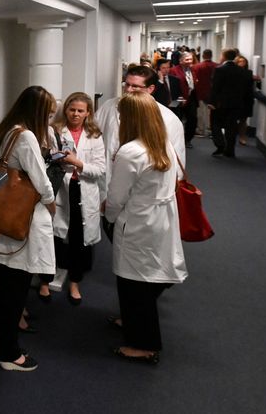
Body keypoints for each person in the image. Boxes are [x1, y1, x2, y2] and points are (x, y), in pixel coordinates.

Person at [105, 91, 188, 364]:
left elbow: (117, 197)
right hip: (160, 220)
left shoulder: (131, 151)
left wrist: (110, 215)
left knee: (134, 282)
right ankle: (133, 320)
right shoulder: (162, 143)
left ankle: (143, 345)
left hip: (138, 222)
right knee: (149, 274)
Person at [0, 86, 57, 372]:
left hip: (4, 222)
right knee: (15, 291)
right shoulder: (27, 135)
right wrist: (52, 202)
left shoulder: (7, 131)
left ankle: (1, 346)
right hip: (22, 222)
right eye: (49, 114)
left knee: (4, 287)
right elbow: (42, 181)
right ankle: (9, 353)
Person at [37, 92, 105, 305]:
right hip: (60, 189)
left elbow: (100, 169)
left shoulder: (94, 135)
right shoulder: (54, 131)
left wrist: (77, 163)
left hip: (82, 190)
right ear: (65, 110)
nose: (75, 114)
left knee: (79, 239)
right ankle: (45, 281)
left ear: (88, 113)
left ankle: (75, 282)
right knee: (53, 237)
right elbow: (44, 160)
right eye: (72, 109)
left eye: (80, 111)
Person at [97, 65, 186, 204]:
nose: (128, 90)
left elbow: (177, 167)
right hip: (109, 186)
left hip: (148, 198)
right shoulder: (108, 107)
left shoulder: (168, 120)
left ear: (150, 89)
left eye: (135, 86)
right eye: (126, 84)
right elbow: (93, 138)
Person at [209, 49, 252, 158]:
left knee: (215, 124)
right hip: (236, 105)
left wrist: (212, 102)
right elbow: (247, 91)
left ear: (223, 56)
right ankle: (230, 150)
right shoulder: (244, 72)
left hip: (220, 104)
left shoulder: (219, 70)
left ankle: (220, 145)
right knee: (231, 127)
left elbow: (215, 88)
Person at [168, 52, 198, 148]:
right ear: (181, 61)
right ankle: (176, 140)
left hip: (191, 98)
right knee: (177, 119)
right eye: (187, 59)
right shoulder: (174, 70)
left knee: (192, 119)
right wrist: (179, 98)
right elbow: (172, 86)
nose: (190, 61)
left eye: (191, 59)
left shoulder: (193, 69)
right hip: (178, 98)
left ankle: (187, 139)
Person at [192, 49, 217, 136]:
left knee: (201, 112)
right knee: (211, 113)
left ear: (203, 56)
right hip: (213, 93)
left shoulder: (197, 67)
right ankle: (210, 129)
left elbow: (194, 80)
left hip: (200, 92)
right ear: (211, 55)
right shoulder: (217, 66)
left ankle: (201, 130)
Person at [234, 55, 257, 146]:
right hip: (235, 98)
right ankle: (232, 135)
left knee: (243, 120)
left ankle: (242, 136)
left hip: (246, 99)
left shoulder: (249, 73)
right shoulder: (233, 73)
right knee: (233, 119)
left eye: (244, 61)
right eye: (240, 61)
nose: (242, 63)